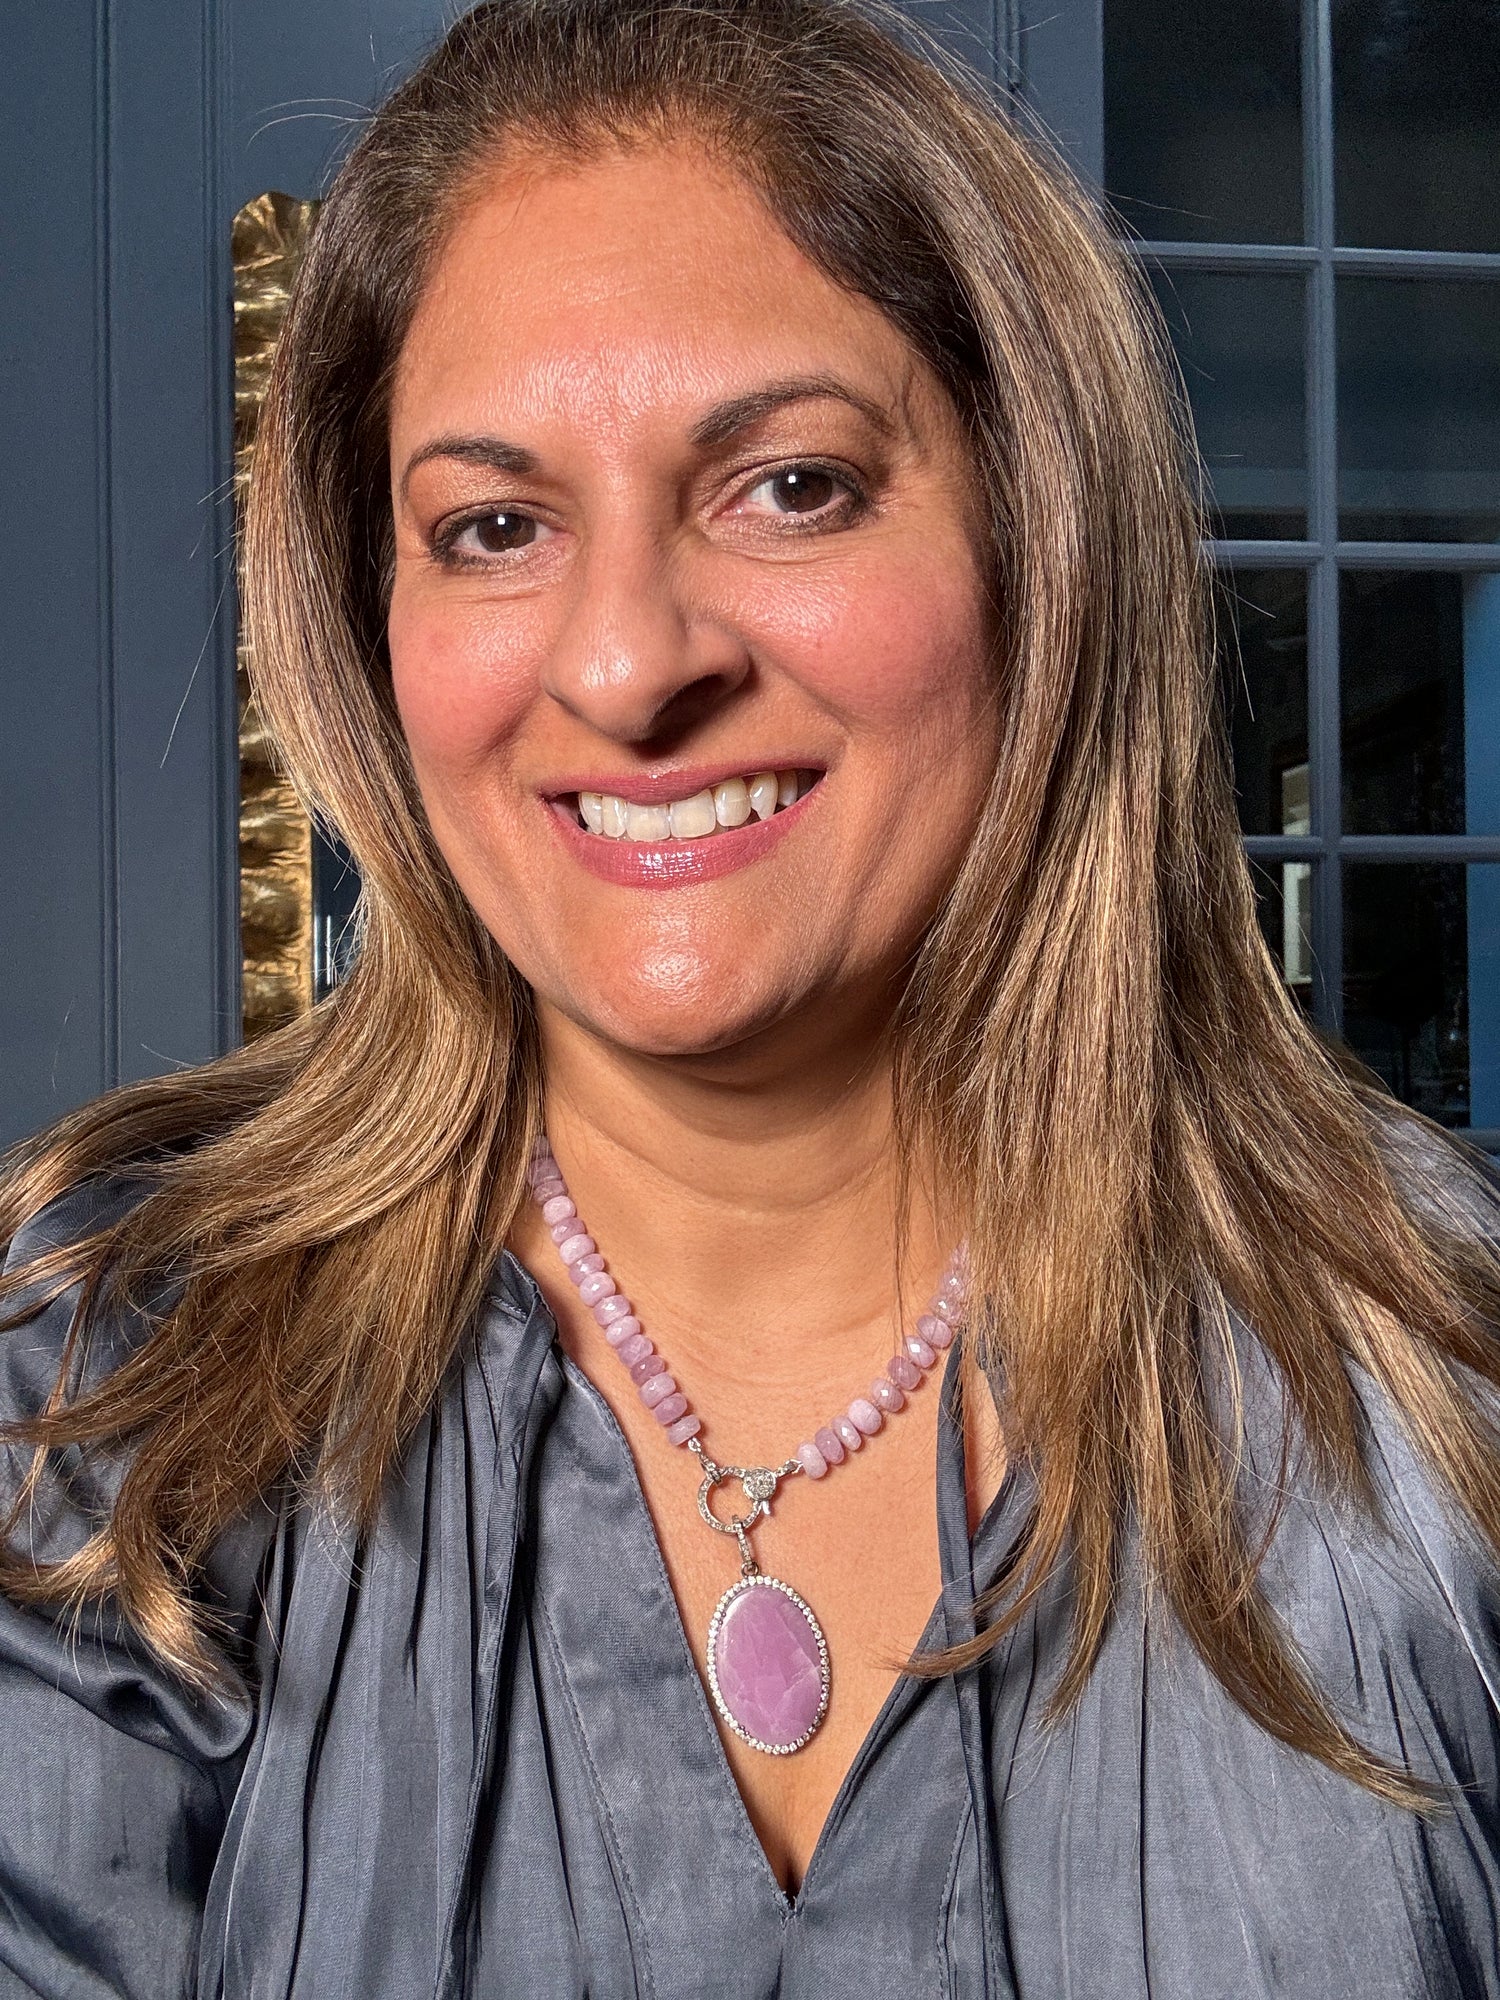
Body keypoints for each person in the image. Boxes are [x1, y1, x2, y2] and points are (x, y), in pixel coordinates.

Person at [3, 0, 1500, 1993]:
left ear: (1042, 541)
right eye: (496, 527)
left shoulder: (1449, 1382)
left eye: (790, 486)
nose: (627, 664)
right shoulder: (103, 1384)